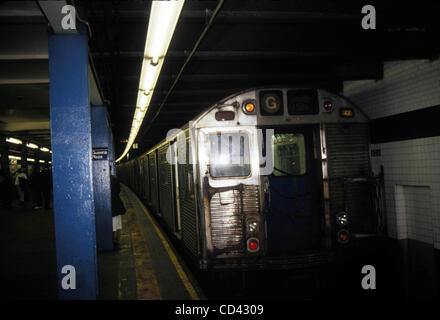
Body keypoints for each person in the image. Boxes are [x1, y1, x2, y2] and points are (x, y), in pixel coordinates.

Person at [110, 174, 126, 247]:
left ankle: (113, 239)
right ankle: (115, 238)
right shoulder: (114, 178)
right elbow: (118, 190)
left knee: (113, 223)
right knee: (116, 222)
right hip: (116, 203)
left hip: (111, 205)